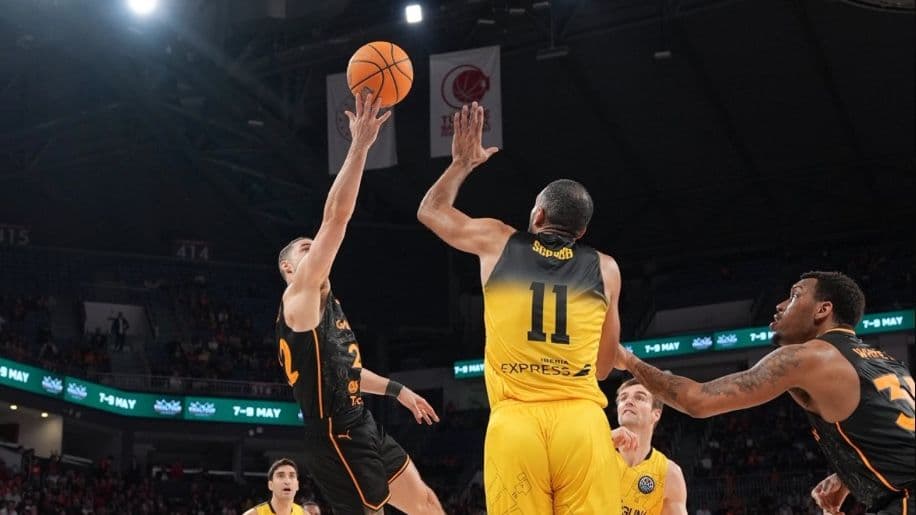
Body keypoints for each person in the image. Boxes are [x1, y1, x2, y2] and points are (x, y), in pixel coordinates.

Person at [417, 101, 623, 513]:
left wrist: (461, 164)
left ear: (538, 214)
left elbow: (431, 211)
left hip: (516, 422)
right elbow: (604, 367)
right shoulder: (605, 268)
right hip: (581, 422)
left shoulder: (498, 240)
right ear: (582, 231)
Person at [616, 271, 914, 514]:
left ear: (823, 310)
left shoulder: (807, 356)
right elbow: (892, 432)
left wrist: (628, 360)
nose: (781, 304)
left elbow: (697, 400)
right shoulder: (886, 361)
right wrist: (850, 474)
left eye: (796, 295)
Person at [277, 91, 444, 515]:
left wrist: (398, 390)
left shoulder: (325, 302)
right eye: (303, 248)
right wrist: (360, 145)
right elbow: (336, 218)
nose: (312, 247)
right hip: (335, 436)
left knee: (425, 502)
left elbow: (346, 372)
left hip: (360, 422)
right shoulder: (299, 296)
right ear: (289, 270)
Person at [612, 378, 688, 515]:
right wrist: (605, 441)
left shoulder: (669, 474)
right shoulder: (595, 451)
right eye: (623, 398)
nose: (628, 401)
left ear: (656, 414)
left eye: (640, 398)